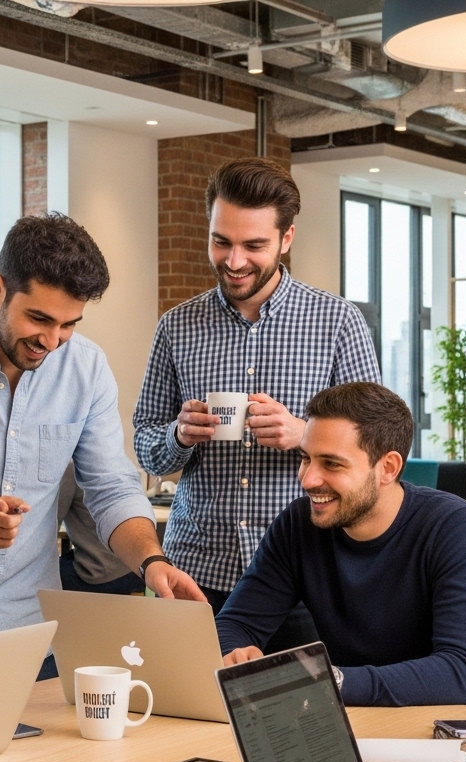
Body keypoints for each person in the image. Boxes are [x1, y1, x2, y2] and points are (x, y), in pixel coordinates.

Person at [0, 213, 205, 690]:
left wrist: (153, 562)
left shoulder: (85, 368)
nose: (51, 341)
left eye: (69, 324)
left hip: (28, 625)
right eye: (40, 318)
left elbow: (111, 488)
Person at [132, 157, 379, 652]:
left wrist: (303, 435)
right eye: (221, 241)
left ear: (286, 239)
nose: (235, 260)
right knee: (186, 719)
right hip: (198, 571)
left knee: (303, 723)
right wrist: (177, 436)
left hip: (308, 576)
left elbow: (377, 450)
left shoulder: (337, 322)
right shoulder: (177, 327)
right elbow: (145, 443)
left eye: (254, 245)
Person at [216, 382, 466, 708]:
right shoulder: (299, 524)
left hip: (461, 740)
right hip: (358, 726)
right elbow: (235, 623)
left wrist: (331, 681)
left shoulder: (458, 529)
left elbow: (463, 675)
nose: (308, 479)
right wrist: (237, 654)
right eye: (305, 458)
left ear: (388, 468)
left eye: (332, 464)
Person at [57, 466, 146, 596]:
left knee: (33, 577)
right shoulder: (122, 466)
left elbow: (48, 528)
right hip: (137, 570)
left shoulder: (70, 468)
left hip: (101, 573)